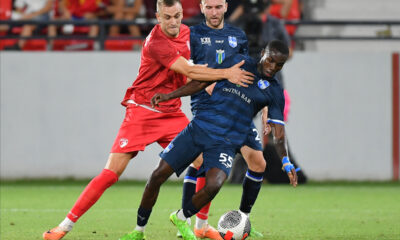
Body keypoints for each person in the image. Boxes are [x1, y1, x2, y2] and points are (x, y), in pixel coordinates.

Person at [42, 0, 254, 238]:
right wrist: (226, 74)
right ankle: (63, 227)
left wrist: (212, 86)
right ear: (157, 17)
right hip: (142, 110)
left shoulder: (186, 33)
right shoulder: (156, 43)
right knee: (112, 173)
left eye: (177, 16)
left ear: (182, 13)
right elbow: (189, 71)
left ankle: (201, 226)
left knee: (204, 162)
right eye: (167, 17)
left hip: (172, 112)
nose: (173, 22)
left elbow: (191, 73)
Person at [119, 40, 298, 240]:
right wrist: (170, 95)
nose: (273, 67)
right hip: (200, 128)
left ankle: (181, 217)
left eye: (279, 65)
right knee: (158, 175)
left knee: (215, 183)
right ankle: (139, 230)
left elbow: (279, 133)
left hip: (226, 141)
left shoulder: (274, 91)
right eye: (270, 60)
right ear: (263, 52)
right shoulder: (238, 62)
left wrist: (285, 160)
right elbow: (201, 82)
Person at [179, 0, 268, 238]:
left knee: (258, 163)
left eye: (218, 7)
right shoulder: (193, 35)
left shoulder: (237, 35)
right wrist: (207, 87)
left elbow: (247, 71)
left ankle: (241, 220)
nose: (214, 12)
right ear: (201, 8)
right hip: (208, 108)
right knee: (204, 164)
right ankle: (192, 225)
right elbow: (186, 69)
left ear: (226, 7)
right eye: (209, 7)